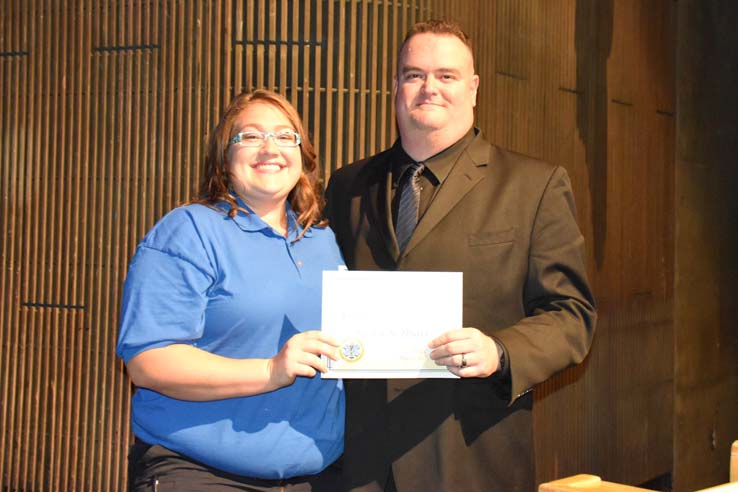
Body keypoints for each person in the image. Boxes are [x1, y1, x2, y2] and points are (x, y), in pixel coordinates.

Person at [325, 19, 597, 492]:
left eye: (446, 76)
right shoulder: (348, 186)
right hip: (360, 461)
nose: (429, 87)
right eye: (414, 74)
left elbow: (572, 315)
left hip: (471, 457)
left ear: (472, 89)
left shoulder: (534, 186)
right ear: (395, 88)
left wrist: (500, 350)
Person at [116, 89, 346, 491]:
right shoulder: (188, 232)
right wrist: (270, 371)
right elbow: (148, 362)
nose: (269, 148)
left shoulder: (323, 241)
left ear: (303, 155)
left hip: (318, 477)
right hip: (202, 474)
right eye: (251, 136)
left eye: (284, 136)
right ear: (225, 156)